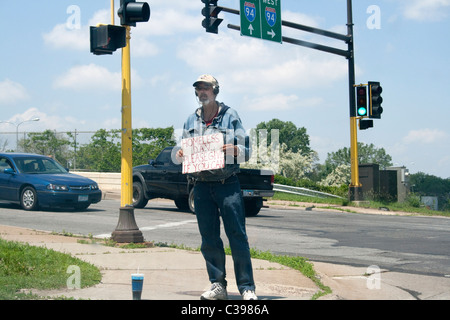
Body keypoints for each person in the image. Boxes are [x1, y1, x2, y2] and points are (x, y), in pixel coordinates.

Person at [176, 74, 257, 300]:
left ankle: (247, 287)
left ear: (215, 91)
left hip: (227, 184)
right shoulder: (190, 121)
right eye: (199, 88)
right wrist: (181, 154)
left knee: (237, 235)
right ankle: (217, 285)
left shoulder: (231, 116)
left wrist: (234, 150)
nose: (203, 92)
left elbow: (247, 151)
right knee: (209, 238)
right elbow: (181, 151)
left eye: (207, 88)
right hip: (201, 186)